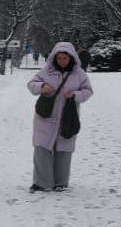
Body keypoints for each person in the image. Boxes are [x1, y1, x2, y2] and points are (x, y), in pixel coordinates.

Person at [27, 42, 93, 192]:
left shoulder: (79, 74)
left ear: (71, 58)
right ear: (54, 57)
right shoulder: (47, 71)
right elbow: (31, 84)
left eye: (65, 58)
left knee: (64, 148)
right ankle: (41, 182)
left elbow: (88, 91)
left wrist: (75, 95)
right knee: (42, 147)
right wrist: (41, 87)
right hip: (45, 117)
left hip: (67, 117)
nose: (62, 61)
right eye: (59, 58)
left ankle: (60, 182)